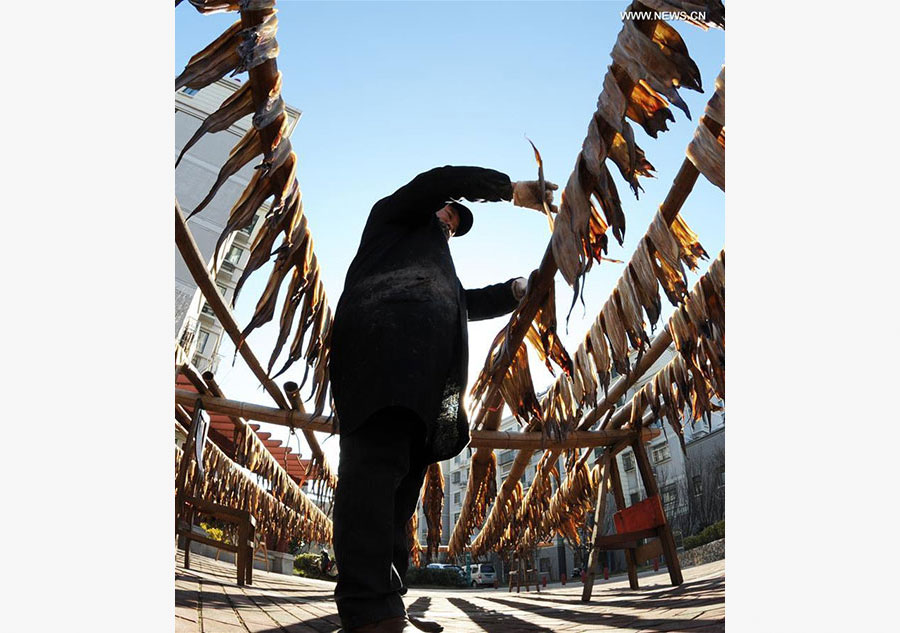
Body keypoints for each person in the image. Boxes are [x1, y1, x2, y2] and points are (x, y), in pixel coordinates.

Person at [329, 166, 557, 633]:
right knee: (373, 474)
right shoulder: (390, 219)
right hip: (381, 353)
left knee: (402, 493)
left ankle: (387, 596)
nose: (449, 225)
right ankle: (368, 607)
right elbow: (440, 178)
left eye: (454, 226)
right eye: (449, 214)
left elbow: (461, 303)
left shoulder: (439, 271)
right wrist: (511, 192)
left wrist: (518, 291)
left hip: (427, 383)